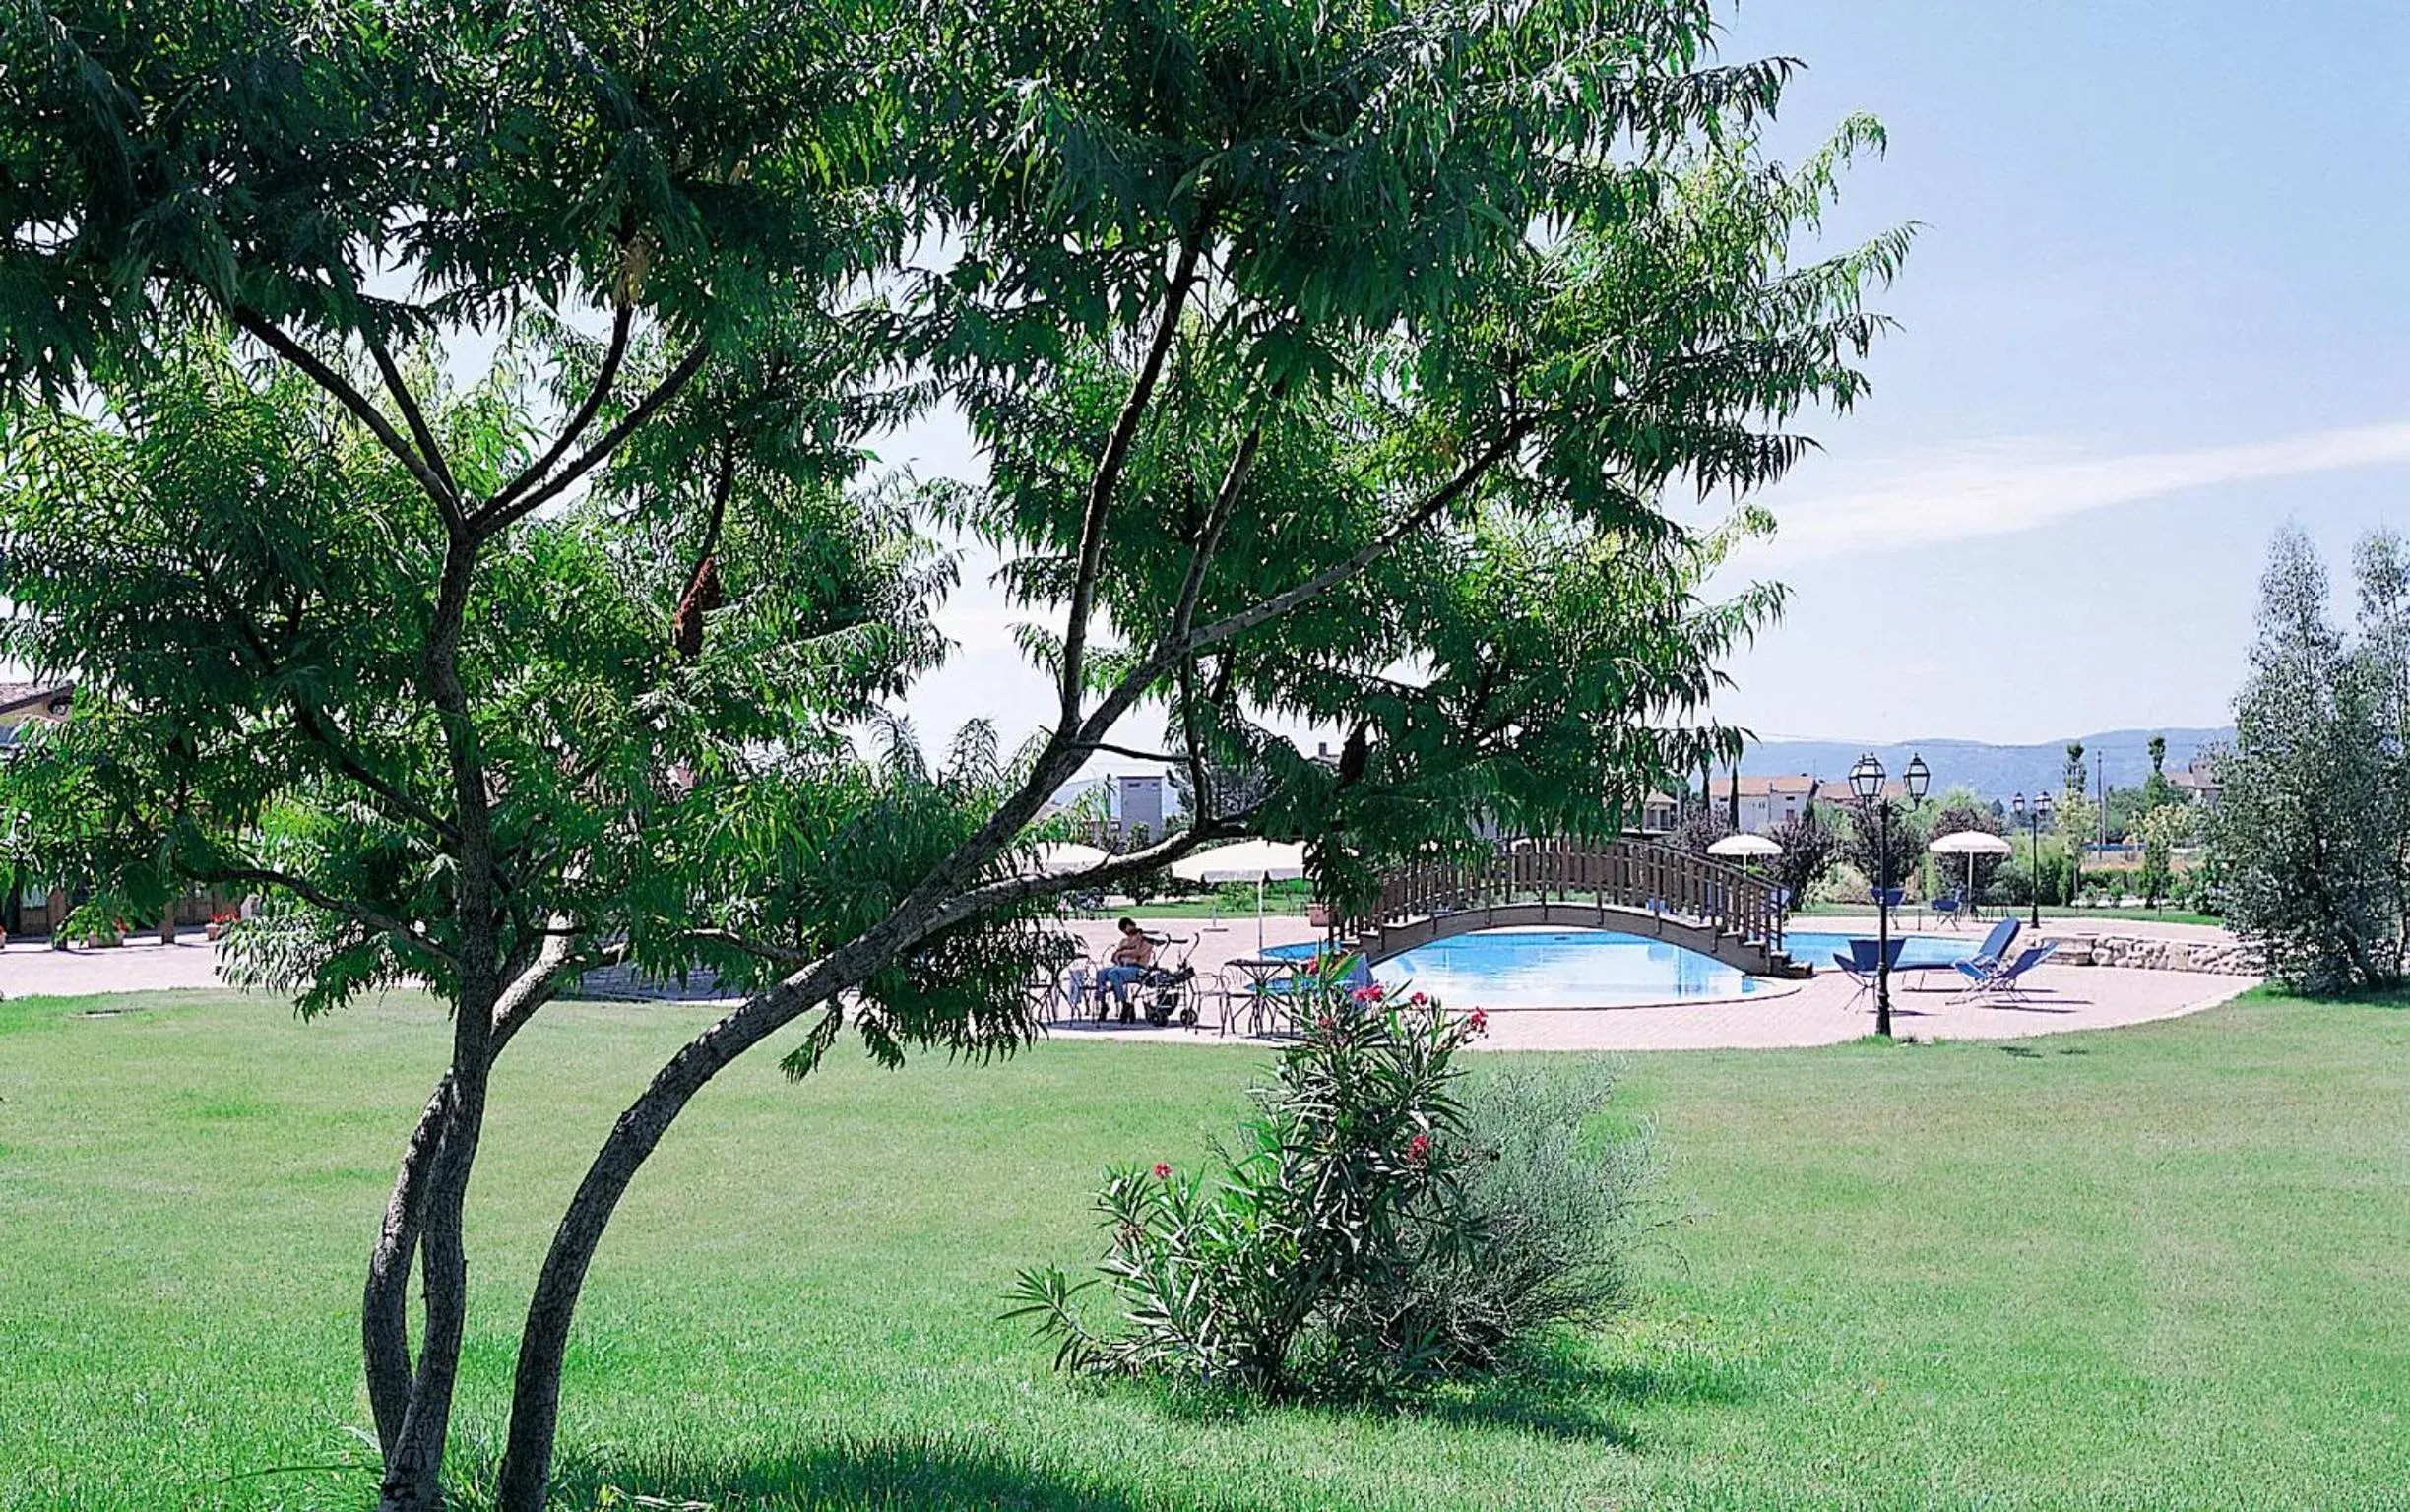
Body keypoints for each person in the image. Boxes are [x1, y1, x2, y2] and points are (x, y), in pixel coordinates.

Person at [1096, 916, 1157, 1023]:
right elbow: (1115, 956)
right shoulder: (1125, 940)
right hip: (1123, 966)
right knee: (1101, 973)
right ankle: (1103, 1004)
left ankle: (1124, 1004)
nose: (1126, 933)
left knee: (1114, 973)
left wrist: (1123, 952)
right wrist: (1122, 952)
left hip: (1138, 968)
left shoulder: (1146, 939)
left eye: (1126, 929)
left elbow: (1138, 953)